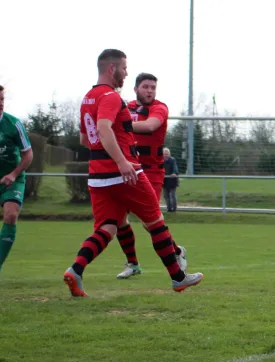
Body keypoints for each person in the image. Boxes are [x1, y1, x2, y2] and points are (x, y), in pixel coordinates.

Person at [63, 49, 203, 296]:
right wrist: (121, 160)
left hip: (97, 175)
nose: (125, 73)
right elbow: (104, 128)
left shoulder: (88, 98)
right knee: (155, 222)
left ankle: (75, 270)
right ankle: (178, 277)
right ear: (111, 69)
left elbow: (85, 139)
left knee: (107, 228)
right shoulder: (112, 97)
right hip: (126, 171)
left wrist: (116, 140)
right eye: (124, 68)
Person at [115, 73, 187, 279]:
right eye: (146, 87)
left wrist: (119, 125)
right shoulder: (125, 107)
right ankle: (133, 264)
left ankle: (178, 252)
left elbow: (150, 126)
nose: (150, 91)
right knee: (119, 217)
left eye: (153, 87)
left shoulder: (159, 107)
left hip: (152, 171)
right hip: (129, 168)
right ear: (136, 89)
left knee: (149, 220)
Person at [0, 85, 33, 273]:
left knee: (11, 215)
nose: (1, 103)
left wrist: (13, 174)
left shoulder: (13, 124)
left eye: (2, 99)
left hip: (12, 179)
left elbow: (28, 154)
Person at [162, 148, 179, 212]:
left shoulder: (172, 160)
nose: (165, 155)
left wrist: (174, 173)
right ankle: (169, 209)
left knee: (172, 195)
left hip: (172, 181)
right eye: (164, 154)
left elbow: (175, 167)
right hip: (164, 181)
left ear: (169, 154)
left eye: (166, 154)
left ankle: (174, 209)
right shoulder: (161, 160)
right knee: (166, 195)